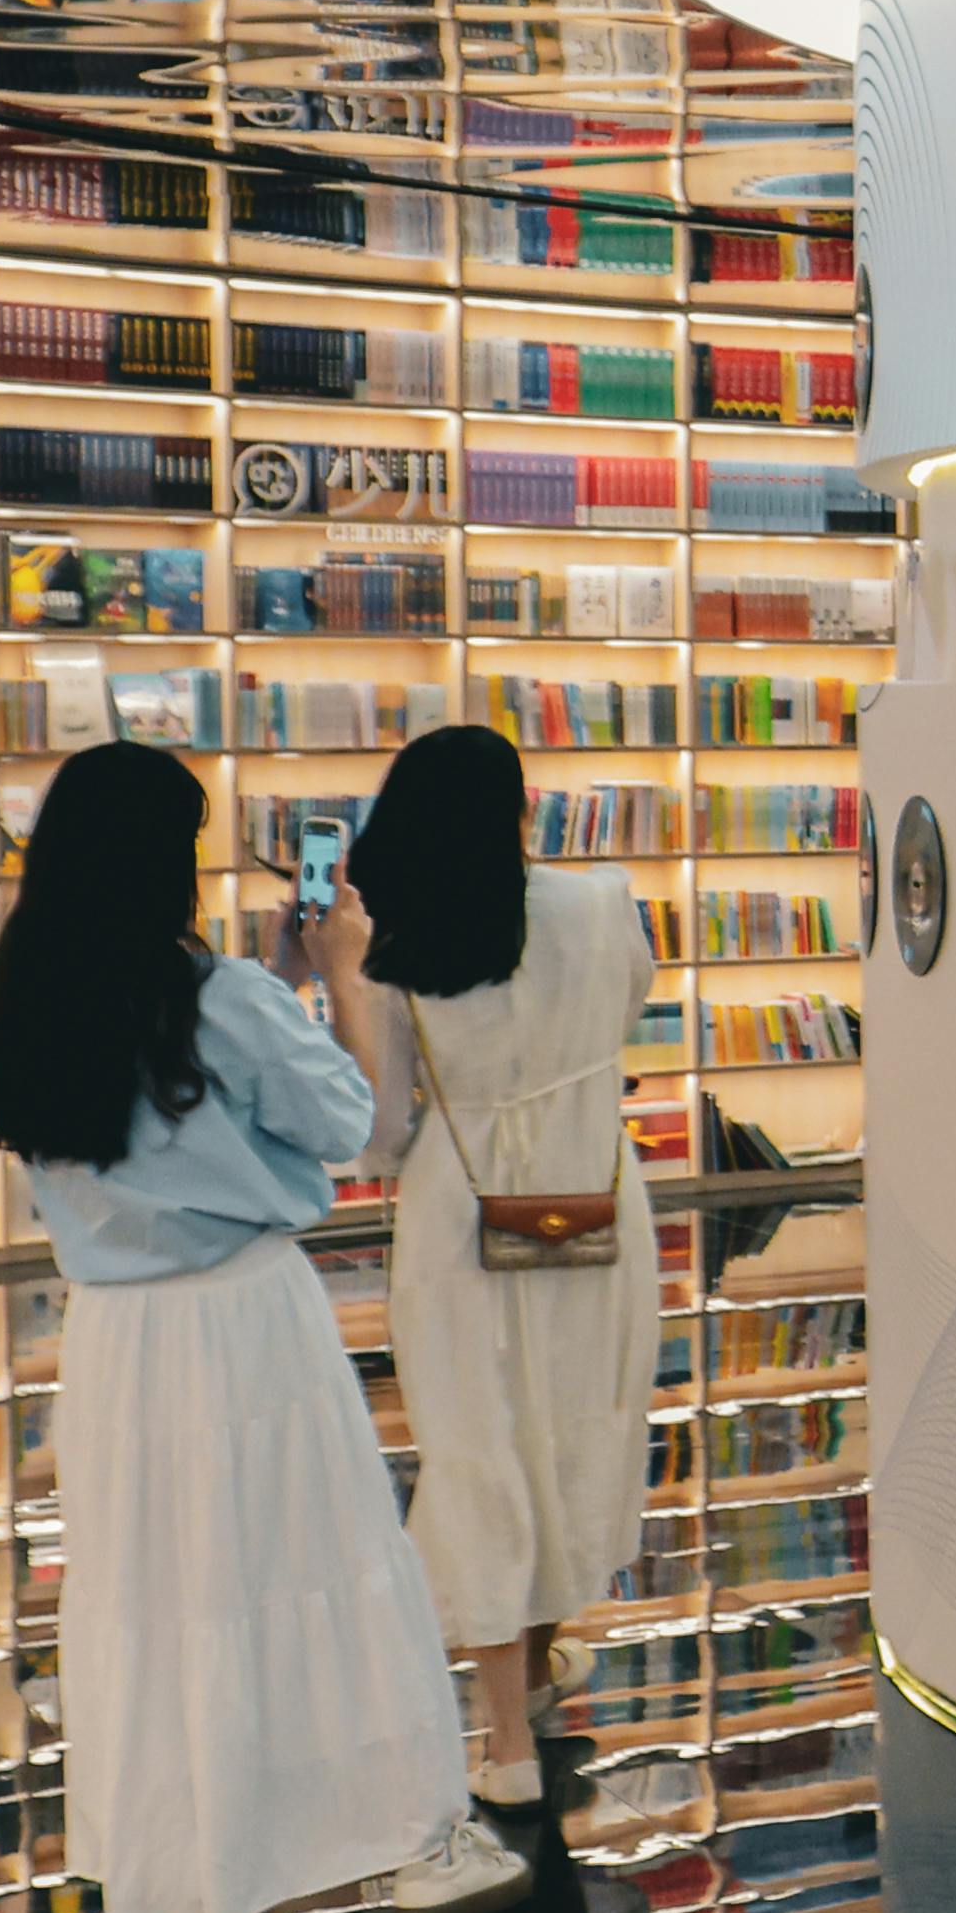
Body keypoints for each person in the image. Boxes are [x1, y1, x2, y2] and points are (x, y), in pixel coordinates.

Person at [0, 743, 525, 1913]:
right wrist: (344, 977)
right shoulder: (215, 994)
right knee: (310, 1556)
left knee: (164, 1590)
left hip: (114, 1340)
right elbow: (359, 1127)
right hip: (244, 1323)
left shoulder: (26, 989)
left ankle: (187, 1876)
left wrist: (278, 987)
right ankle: (418, 1840)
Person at [321, 727, 651, 1813]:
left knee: (479, 1449)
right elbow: (624, 1016)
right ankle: (548, 1663)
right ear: (519, 807)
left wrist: (334, 980)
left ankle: (506, 1737)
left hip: (460, 1224)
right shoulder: (603, 902)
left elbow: (379, 1132)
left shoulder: (398, 942)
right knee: (574, 1431)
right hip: (595, 1202)